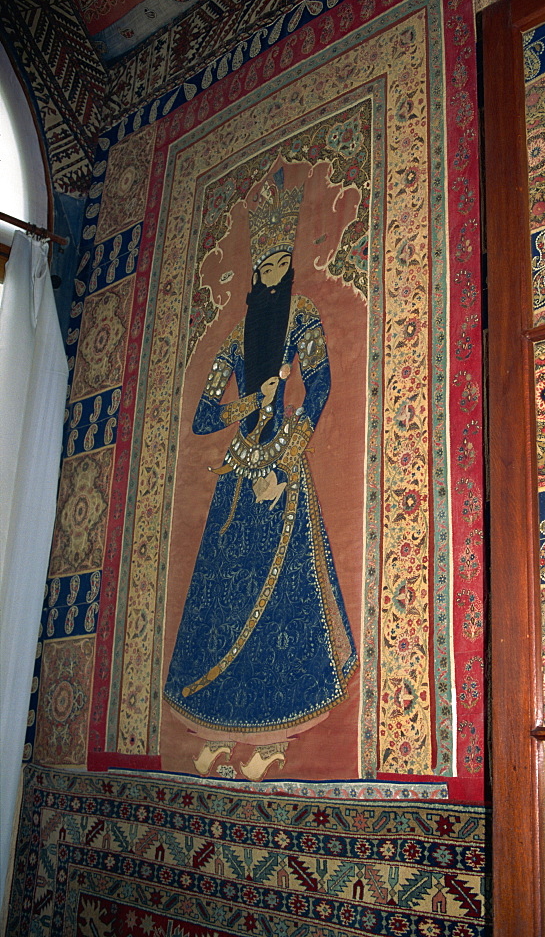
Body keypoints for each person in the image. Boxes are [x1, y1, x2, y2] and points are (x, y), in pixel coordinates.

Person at [163, 171, 357, 781]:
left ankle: (273, 743)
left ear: (289, 264)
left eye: (281, 259)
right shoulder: (236, 338)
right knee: (222, 594)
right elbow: (199, 418)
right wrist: (246, 405)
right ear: (254, 272)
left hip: (281, 462)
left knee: (284, 599)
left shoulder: (300, 314)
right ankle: (220, 734)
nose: (272, 269)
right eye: (264, 262)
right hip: (239, 466)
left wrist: (295, 440)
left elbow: (322, 384)